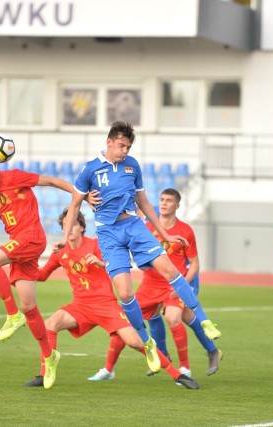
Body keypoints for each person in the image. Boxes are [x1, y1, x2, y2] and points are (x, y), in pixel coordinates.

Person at [57, 121, 222, 373]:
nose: (125, 150)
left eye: (128, 146)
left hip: (134, 226)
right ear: (109, 142)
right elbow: (74, 205)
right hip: (108, 234)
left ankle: (204, 319)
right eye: (121, 145)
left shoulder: (132, 166)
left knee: (169, 270)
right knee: (124, 293)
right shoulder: (90, 169)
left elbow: (143, 200)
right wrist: (64, 236)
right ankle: (147, 345)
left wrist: (164, 232)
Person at [22, 209, 199, 389]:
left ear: (82, 227)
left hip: (106, 305)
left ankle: (177, 375)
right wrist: (22, 264)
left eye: (73, 224)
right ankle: (44, 374)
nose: (70, 229)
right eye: (66, 226)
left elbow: (121, 264)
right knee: (50, 324)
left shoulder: (98, 244)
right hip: (80, 307)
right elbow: (41, 275)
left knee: (135, 341)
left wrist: (101, 263)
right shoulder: (60, 252)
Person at [0, 159, 97, 389]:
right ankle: (49, 356)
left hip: (31, 236)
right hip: (19, 243)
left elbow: (52, 181)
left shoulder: (13, 177)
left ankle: (12, 316)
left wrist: (82, 196)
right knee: (30, 307)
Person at [93, 188, 222, 380]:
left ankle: (186, 367)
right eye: (161, 199)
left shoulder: (185, 230)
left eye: (169, 200)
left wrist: (181, 286)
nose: (164, 203)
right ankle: (113, 367)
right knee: (128, 320)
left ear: (177, 205)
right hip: (151, 283)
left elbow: (194, 264)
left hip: (174, 283)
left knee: (173, 317)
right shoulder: (145, 226)